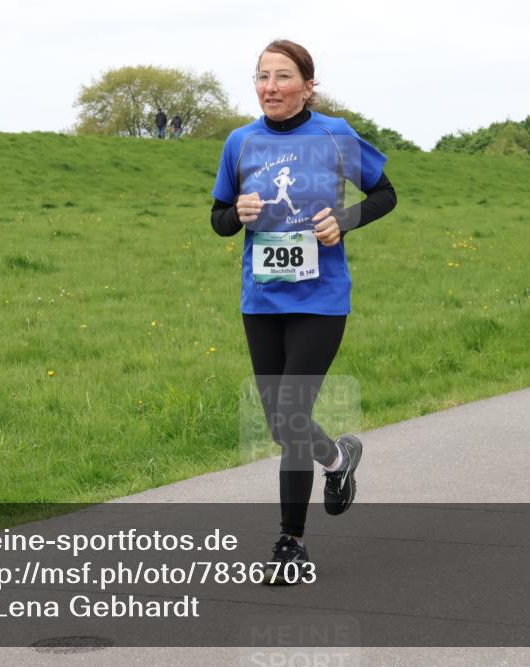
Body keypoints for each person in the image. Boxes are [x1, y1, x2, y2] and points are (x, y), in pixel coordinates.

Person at [209, 39, 396, 584]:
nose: (270, 87)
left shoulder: (335, 135)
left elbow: (384, 194)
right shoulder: (240, 143)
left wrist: (345, 218)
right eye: (262, 77)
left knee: (290, 416)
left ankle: (291, 542)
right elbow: (218, 216)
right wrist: (236, 213)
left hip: (321, 299)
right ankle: (338, 460)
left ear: (308, 85)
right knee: (278, 421)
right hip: (262, 300)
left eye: (283, 77)